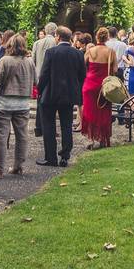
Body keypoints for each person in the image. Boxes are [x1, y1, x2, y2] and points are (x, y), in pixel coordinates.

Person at [36, 26, 86, 166]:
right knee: (66, 125)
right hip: (69, 94)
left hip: (51, 93)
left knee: (49, 126)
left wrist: (39, 90)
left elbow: (44, 74)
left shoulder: (51, 52)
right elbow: (82, 75)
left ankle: (50, 157)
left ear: (57, 37)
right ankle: (65, 156)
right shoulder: (78, 54)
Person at [0, 34, 34, 177]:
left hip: (4, 103)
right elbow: (36, 80)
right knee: (22, 135)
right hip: (22, 103)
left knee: (1, 136)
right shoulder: (29, 62)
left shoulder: (4, 60)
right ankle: (18, 166)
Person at [81, 27, 116, 149]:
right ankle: (102, 139)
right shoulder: (111, 52)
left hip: (89, 85)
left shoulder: (90, 51)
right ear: (107, 38)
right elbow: (115, 69)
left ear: (96, 37)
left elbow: (83, 65)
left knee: (89, 112)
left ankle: (90, 139)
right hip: (104, 87)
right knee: (103, 112)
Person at [32, 22, 58, 137]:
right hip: (52, 76)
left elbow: (33, 61)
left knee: (40, 102)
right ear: (55, 31)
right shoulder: (56, 43)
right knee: (52, 105)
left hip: (39, 75)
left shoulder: (37, 43)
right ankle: (50, 129)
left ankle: (38, 128)